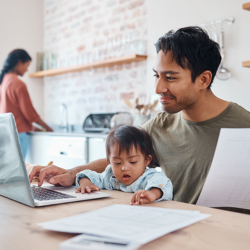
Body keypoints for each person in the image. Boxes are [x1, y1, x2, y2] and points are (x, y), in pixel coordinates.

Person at [29, 27, 250, 210]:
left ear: (203, 80)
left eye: (170, 78)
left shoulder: (244, 126)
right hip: (175, 230)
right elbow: (118, 159)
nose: (158, 88)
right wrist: (71, 173)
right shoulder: (160, 126)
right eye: (157, 75)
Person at [75, 125, 173, 205]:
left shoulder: (149, 177)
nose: (124, 168)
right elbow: (88, 175)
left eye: (133, 162)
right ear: (109, 162)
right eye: (117, 163)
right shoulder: (111, 177)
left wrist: (152, 194)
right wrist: (85, 183)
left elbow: (163, 184)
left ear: (146, 160)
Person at [0, 49, 53, 158]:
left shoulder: (3, 81)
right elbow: (30, 114)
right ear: (19, 62)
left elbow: (13, 111)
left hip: (6, 132)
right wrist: (48, 128)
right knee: (22, 169)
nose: (27, 70)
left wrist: (31, 127)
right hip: (19, 135)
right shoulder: (18, 84)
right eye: (27, 65)